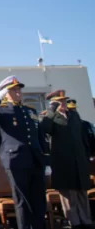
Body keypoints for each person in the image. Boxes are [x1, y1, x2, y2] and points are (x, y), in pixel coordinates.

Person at [0, 76, 47, 229]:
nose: (18, 92)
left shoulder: (29, 110)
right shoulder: (1, 110)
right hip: (16, 160)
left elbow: (38, 135)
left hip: (35, 159)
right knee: (22, 201)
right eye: (13, 90)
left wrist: (46, 159)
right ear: (5, 92)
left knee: (39, 199)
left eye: (19, 89)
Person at [41, 90, 92, 229]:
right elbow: (44, 128)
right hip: (63, 163)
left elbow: (84, 138)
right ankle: (75, 222)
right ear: (53, 103)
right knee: (69, 195)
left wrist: (85, 156)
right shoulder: (51, 117)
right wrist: (51, 110)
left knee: (82, 191)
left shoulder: (74, 115)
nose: (62, 104)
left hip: (79, 161)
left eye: (64, 100)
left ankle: (86, 221)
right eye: (59, 101)